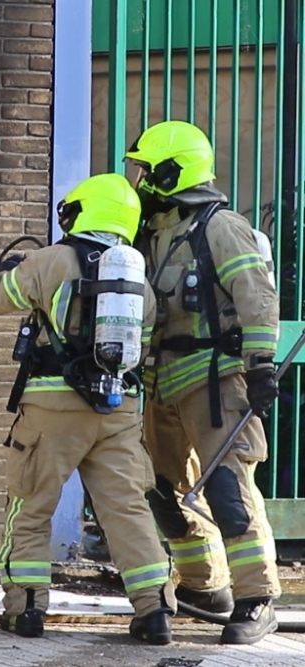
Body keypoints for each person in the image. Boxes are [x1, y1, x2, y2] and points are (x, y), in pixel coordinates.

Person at [0, 173, 177, 644]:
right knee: (127, 510)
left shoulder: (52, 261)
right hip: (117, 413)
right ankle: (155, 612)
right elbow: (138, 353)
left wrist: (3, 273)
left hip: (52, 410)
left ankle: (25, 608)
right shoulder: (139, 286)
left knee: (31, 504)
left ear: (86, 211)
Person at [125, 120, 281, 645]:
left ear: (175, 171)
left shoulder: (221, 227)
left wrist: (260, 366)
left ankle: (257, 598)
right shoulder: (154, 233)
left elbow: (257, 299)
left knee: (228, 491)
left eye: (147, 171)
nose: (139, 180)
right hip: (162, 383)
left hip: (216, 384)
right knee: (162, 491)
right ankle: (202, 584)